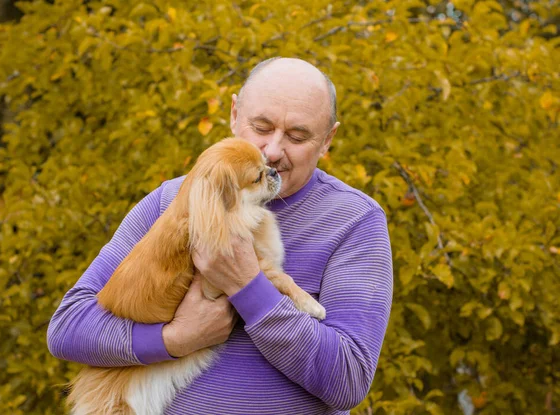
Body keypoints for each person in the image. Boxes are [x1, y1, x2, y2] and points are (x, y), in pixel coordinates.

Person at [47, 57, 393, 414]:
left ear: (327, 140)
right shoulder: (172, 200)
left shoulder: (355, 221)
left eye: (297, 136)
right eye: (261, 127)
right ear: (233, 114)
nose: (272, 152)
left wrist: (248, 286)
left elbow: (349, 380)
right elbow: (69, 330)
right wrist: (176, 338)